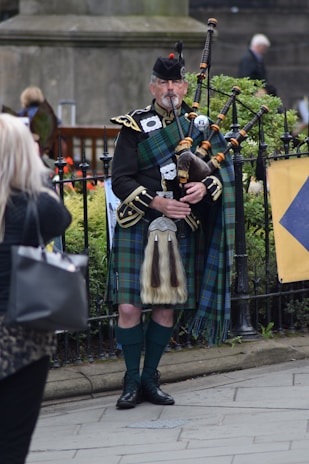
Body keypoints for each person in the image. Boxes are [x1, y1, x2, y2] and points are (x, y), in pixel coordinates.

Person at [106, 48, 235, 409]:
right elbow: (120, 180)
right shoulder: (134, 127)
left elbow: (222, 175)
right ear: (152, 86)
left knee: (165, 308)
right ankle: (131, 380)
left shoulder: (200, 127)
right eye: (163, 82)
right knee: (129, 308)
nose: (170, 88)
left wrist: (203, 187)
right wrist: (158, 203)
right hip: (141, 224)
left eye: (176, 81)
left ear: (184, 86)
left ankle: (151, 379)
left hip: (180, 227)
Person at [0, 113, 72, 463]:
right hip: (21, 337)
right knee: (12, 441)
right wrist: (37, 173)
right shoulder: (34, 203)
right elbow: (62, 219)